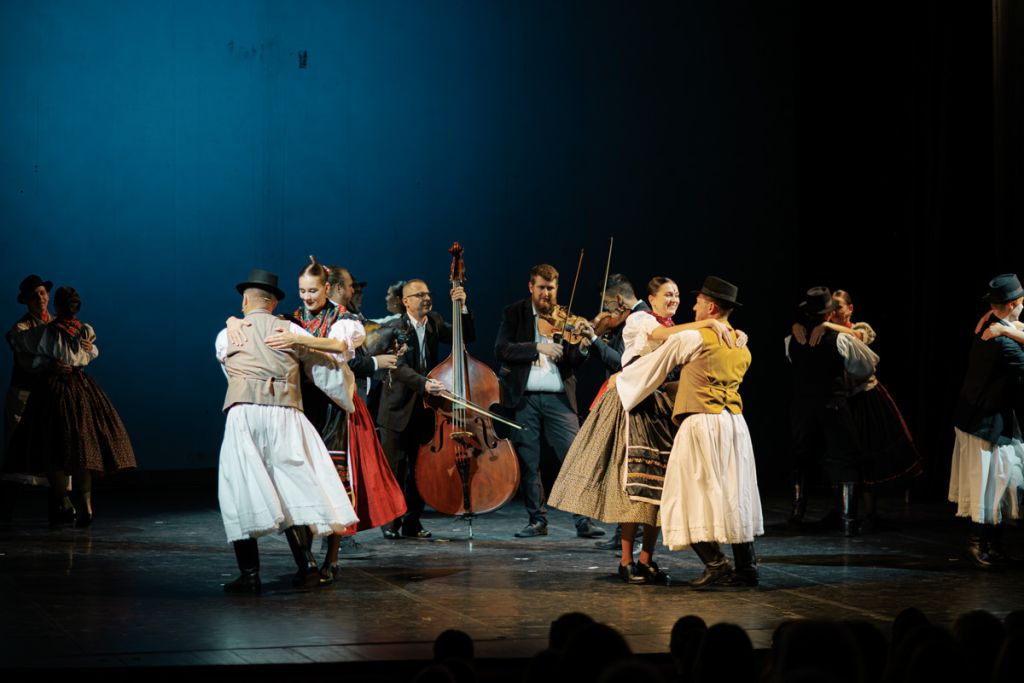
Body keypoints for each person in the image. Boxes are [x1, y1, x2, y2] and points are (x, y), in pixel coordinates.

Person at [548, 276, 735, 583]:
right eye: (668, 294)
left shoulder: (677, 328)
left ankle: (647, 559)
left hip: (658, 407)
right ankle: (626, 561)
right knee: (633, 487)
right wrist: (708, 323)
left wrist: (731, 332)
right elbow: (661, 335)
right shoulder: (640, 320)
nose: (674, 299)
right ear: (652, 299)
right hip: (631, 403)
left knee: (658, 488)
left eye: (677, 294)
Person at [233, 259, 407, 577]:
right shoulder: (293, 319)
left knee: (335, 480)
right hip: (303, 405)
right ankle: (307, 558)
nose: (307, 297)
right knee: (305, 478)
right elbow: (258, 324)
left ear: (327, 288)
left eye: (312, 291)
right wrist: (236, 323)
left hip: (334, 408)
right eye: (302, 291)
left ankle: (332, 557)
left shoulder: (343, 319)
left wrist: (298, 339)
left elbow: (339, 347)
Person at [216, 269, 359, 593]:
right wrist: (346, 400)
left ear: (245, 302)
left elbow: (230, 371)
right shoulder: (292, 330)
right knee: (294, 487)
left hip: (245, 413)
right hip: (286, 412)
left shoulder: (227, 334)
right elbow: (324, 371)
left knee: (241, 487)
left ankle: (250, 574)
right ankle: (307, 565)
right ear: (274, 303)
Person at [617, 276, 760, 589]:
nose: (693, 308)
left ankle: (716, 563)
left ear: (711, 308)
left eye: (698, 302)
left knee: (682, 494)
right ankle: (746, 568)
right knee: (734, 494)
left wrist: (624, 382)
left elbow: (654, 364)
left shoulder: (693, 338)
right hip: (734, 424)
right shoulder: (741, 343)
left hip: (701, 422)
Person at [5, 286, 136, 527]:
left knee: (52, 448)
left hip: (54, 390)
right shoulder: (85, 329)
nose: (40, 298)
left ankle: (65, 503)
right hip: (81, 387)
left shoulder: (47, 331)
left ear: (55, 304)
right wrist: (88, 350)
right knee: (81, 449)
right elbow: (93, 351)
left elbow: (17, 341)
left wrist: (47, 361)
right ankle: (84, 506)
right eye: (35, 295)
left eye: (43, 294)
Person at [796, 289, 924, 529]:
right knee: (840, 455)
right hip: (842, 401)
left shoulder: (858, 328)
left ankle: (869, 512)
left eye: (839, 307)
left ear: (850, 309)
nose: (835, 312)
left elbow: (857, 336)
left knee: (867, 451)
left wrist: (828, 326)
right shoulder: (823, 333)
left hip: (864, 397)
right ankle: (841, 508)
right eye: (832, 309)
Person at [494, 263, 604, 540]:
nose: (546, 294)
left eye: (551, 288)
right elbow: (502, 349)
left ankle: (583, 520)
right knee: (529, 461)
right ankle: (537, 520)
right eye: (542, 288)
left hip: (559, 398)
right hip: (525, 399)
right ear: (531, 287)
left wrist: (582, 347)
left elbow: (573, 361)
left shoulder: (565, 318)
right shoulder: (514, 313)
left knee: (574, 457)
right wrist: (537, 347)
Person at [376, 278, 474, 539]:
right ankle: (390, 522)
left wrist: (462, 308)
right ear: (406, 301)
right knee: (395, 470)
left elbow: (465, 337)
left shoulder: (435, 322)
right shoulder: (395, 328)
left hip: (424, 410)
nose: (426, 298)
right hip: (397, 410)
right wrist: (424, 384)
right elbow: (397, 367)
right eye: (419, 295)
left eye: (428, 293)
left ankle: (412, 521)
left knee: (419, 470)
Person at [785, 287, 877, 535]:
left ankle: (797, 514)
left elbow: (795, 362)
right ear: (827, 314)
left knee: (802, 456)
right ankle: (848, 520)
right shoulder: (840, 339)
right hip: (832, 404)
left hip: (803, 407)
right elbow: (865, 367)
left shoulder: (792, 338)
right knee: (846, 457)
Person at [949, 274, 1024, 569]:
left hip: (988, 417)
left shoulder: (990, 326)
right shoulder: (1002, 342)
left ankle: (993, 545)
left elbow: (1014, 326)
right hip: (983, 421)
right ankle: (976, 544)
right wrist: (1009, 332)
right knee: (988, 484)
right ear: (1012, 304)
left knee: (1003, 483)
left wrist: (1008, 328)